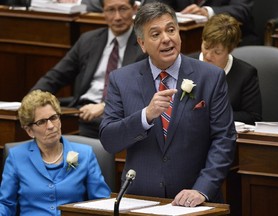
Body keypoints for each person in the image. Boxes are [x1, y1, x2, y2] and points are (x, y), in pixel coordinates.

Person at [100, 2, 236, 207]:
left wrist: (202, 189)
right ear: (142, 43)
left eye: (171, 30)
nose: (166, 39)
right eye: (155, 34)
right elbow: (109, 140)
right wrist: (145, 116)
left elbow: (224, 139)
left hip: (195, 202)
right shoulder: (122, 79)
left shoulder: (210, 77)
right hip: (140, 201)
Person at [31, 0, 145, 139]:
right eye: (110, 10)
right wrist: (31, 100)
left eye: (123, 9)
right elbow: (56, 76)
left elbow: (139, 91)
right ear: (103, 11)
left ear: (134, 9)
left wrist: (105, 106)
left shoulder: (143, 45)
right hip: (81, 111)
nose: (117, 17)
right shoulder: (88, 40)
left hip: (117, 114)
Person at [0, 90, 110, 216]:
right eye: (41, 122)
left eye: (53, 118)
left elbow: (102, 202)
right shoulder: (16, 157)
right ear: (30, 131)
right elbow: (6, 204)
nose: (51, 126)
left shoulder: (85, 154)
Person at [189, 14, 262, 125]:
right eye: (206, 47)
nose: (208, 56)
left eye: (217, 52)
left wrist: (213, 114)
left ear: (230, 50)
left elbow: (253, 116)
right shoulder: (186, 64)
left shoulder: (245, 74)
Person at [143, 0, 260, 46]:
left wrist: (207, 12)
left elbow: (243, 9)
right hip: (183, 39)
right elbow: (152, 3)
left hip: (233, 40)